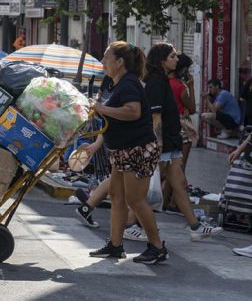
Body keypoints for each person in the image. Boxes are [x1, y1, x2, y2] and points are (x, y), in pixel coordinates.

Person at [87, 41, 167, 265]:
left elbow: (133, 112)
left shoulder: (129, 83)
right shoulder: (115, 83)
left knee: (136, 200)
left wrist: (102, 108)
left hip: (137, 150)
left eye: (106, 57)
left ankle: (157, 247)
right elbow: (113, 118)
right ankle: (115, 245)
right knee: (117, 197)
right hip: (121, 150)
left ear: (119, 62)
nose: (103, 61)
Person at [144, 42, 222, 241]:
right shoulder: (157, 82)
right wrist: (158, 146)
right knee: (146, 187)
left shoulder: (162, 80)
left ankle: (195, 226)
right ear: (162, 60)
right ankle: (128, 224)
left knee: (179, 184)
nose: (177, 60)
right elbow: (155, 118)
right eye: (173, 56)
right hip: (163, 145)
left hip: (170, 143)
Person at [168, 53, 197, 168]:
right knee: (180, 167)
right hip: (182, 127)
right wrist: (191, 86)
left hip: (166, 125)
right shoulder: (180, 87)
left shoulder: (162, 82)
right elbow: (192, 109)